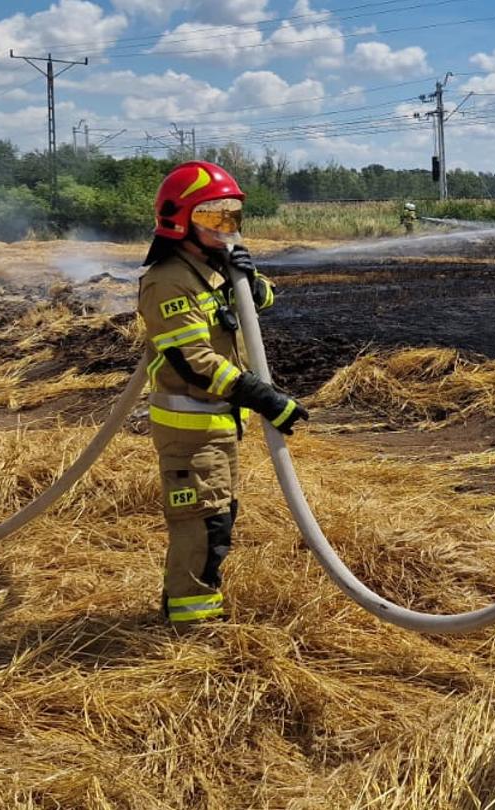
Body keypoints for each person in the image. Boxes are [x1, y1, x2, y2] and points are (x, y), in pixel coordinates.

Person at [136, 160, 310, 626]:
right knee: (201, 529)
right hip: (189, 430)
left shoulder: (210, 269)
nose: (226, 228)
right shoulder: (169, 280)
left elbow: (262, 303)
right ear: (180, 221)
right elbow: (193, 362)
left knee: (219, 520)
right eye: (213, 217)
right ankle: (190, 629)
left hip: (216, 426)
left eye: (232, 217)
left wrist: (250, 279)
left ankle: (199, 616)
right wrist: (266, 397)